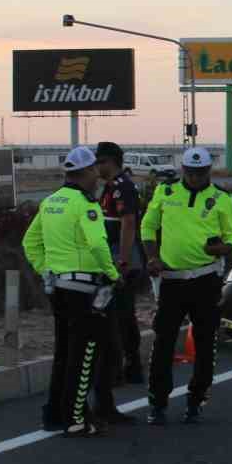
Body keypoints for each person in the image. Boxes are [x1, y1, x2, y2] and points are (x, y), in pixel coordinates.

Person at [21, 146, 121, 437]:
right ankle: (76, 418)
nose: (98, 178)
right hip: (84, 289)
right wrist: (113, 275)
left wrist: (46, 270)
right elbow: (98, 245)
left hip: (59, 288)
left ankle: (54, 414)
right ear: (86, 172)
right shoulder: (85, 205)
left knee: (64, 352)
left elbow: (30, 242)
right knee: (85, 352)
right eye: (95, 172)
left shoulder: (51, 202)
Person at [141, 146, 232, 424]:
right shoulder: (166, 192)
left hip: (206, 279)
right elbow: (148, 226)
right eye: (191, 172)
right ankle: (157, 403)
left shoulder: (222, 198)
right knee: (163, 341)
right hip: (172, 281)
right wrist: (151, 256)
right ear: (183, 170)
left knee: (205, 342)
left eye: (201, 173)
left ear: (209, 171)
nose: (196, 177)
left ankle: (196, 400)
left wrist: (225, 247)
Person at [92, 141, 143, 425]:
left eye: (100, 162)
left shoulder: (122, 185)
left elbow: (128, 223)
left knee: (121, 317)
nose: (97, 167)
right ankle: (124, 367)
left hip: (122, 260)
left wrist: (122, 262)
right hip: (113, 258)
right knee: (117, 317)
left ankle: (129, 366)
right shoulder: (110, 186)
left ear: (111, 161)